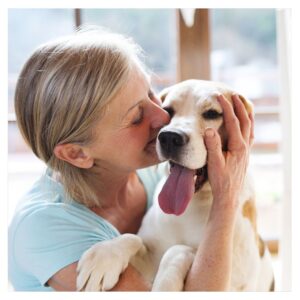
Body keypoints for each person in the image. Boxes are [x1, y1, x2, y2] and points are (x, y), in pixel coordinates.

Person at [8, 28, 254, 291]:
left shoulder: (154, 174)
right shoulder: (44, 229)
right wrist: (226, 199)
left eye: (151, 94)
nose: (163, 119)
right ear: (77, 153)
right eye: (136, 116)